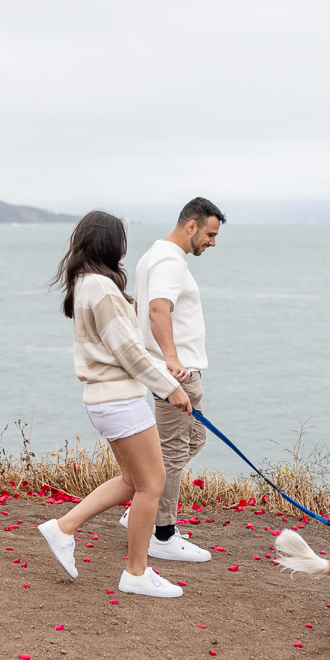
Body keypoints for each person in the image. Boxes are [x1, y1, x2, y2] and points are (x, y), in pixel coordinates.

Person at [37, 209, 193, 598]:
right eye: (121, 240)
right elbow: (128, 352)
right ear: (110, 243)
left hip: (105, 400)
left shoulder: (86, 283)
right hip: (119, 401)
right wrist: (169, 388)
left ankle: (63, 527)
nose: (125, 248)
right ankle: (136, 573)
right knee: (151, 484)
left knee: (132, 482)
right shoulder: (101, 288)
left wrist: (163, 377)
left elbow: (124, 350)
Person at [123, 197, 226, 562]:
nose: (212, 243)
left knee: (191, 440)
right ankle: (162, 534)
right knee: (170, 451)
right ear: (192, 226)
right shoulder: (168, 260)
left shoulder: (154, 255)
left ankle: (141, 509)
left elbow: (141, 307)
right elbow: (157, 308)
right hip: (176, 376)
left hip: (178, 373)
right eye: (210, 235)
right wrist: (170, 361)